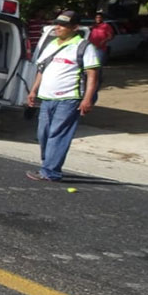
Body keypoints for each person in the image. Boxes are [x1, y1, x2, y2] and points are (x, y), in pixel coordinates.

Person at [25, 10, 101, 182]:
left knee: (58, 134)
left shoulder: (84, 47)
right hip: (47, 98)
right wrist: (33, 90)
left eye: (63, 25)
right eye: (57, 24)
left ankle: (50, 171)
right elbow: (42, 69)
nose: (58, 27)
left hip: (69, 99)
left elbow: (92, 75)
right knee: (43, 133)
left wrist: (87, 99)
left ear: (75, 27)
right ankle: (49, 164)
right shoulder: (51, 45)